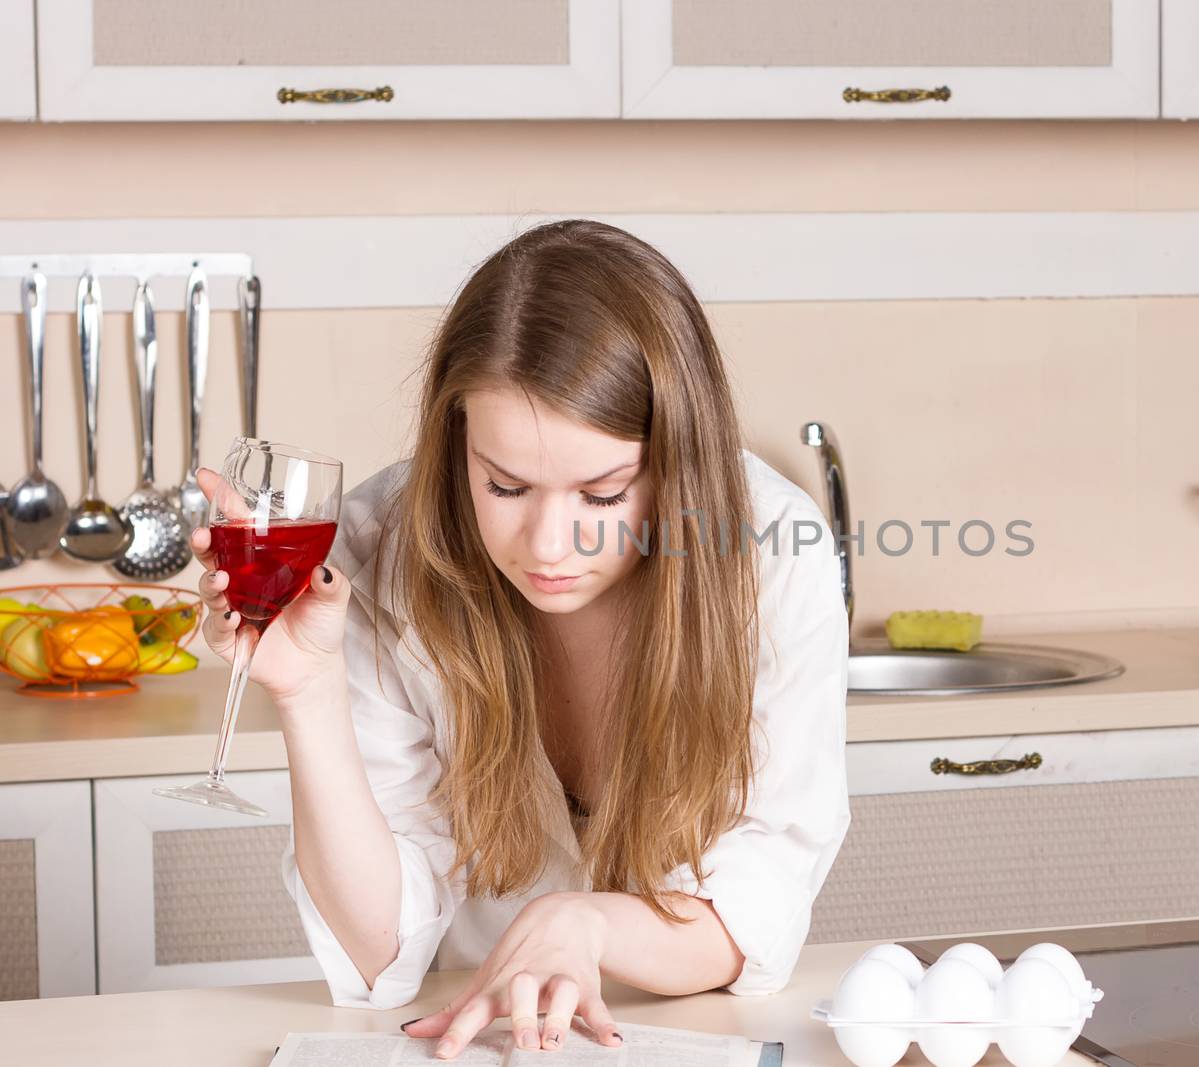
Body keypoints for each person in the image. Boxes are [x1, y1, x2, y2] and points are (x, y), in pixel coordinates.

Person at [189, 220, 851, 1060]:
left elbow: (758, 911)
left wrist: (582, 922)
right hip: (479, 1039)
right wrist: (305, 687)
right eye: (504, 484)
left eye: (602, 495)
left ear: (679, 466)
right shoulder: (381, 549)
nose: (547, 544)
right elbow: (377, 955)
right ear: (454, 443)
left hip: (686, 1028)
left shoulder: (771, 554)